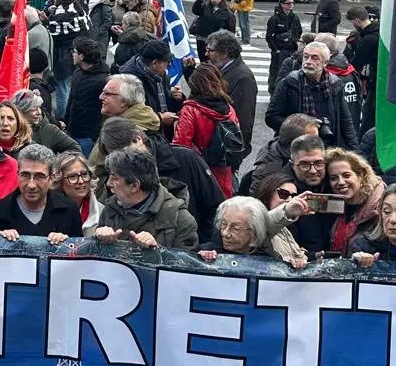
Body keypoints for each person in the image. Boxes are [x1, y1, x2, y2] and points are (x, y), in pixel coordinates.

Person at [90, 146, 198, 249]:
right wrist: (99, 239)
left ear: (134, 186)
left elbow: (187, 263)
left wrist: (157, 250)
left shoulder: (180, 219)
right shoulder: (110, 209)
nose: (109, 184)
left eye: (115, 178)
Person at [266, 42, 359, 150]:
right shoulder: (289, 83)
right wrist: (304, 127)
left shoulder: (334, 84)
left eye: (315, 58)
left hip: (327, 147)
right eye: (306, 57)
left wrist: (355, 152)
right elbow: (271, 117)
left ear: (325, 62)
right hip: (295, 147)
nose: (308, 61)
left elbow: (345, 121)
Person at [0, 143, 81, 243]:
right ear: (17, 174)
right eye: (25, 175)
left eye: (39, 176)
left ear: (52, 178)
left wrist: (66, 245)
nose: (31, 184)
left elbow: (79, 254)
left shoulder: (69, 211)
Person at [172, 64, 241, 197]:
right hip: (224, 168)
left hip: (199, 169)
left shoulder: (191, 109)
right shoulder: (228, 108)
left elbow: (181, 145)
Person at [196, 195, 307, 268]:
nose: (225, 233)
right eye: (223, 225)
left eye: (236, 228)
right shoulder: (207, 252)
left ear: (255, 232)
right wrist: (198, 261)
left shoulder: (271, 261)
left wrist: (293, 268)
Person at [324, 148, 384, 254]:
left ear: (361, 175)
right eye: (334, 178)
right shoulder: (333, 207)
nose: (341, 182)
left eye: (346, 175)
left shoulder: (381, 208)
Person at [63, 37, 110, 154]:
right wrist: (66, 120)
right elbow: (72, 99)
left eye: (74, 52)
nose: (72, 54)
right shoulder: (77, 72)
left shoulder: (102, 80)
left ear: (82, 56)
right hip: (72, 130)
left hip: (88, 135)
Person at [54, 151, 102, 233]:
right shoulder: (48, 210)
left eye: (84, 174)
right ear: (60, 181)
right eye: (72, 176)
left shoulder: (102, 211)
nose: (81, 181)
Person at [265, 0, 302, 84]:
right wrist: (276, 50)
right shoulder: (274, 19)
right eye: (288, 3)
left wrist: (295, 42)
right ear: (282, 4)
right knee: (276, 73)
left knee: (292, 71)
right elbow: (269, 36)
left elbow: (299, 31)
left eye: (292, 3)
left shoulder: (295, 18)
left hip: (292, 49)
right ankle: (273, 90)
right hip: (280, 50)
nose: (291, 5)